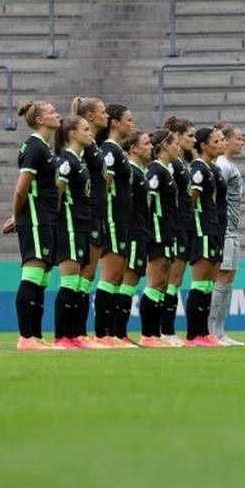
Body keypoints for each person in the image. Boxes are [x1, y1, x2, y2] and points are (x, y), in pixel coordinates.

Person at [3, 100, 61, 350]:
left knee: (42, 279)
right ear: (40, 120)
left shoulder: (45, 148)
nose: (57, 115)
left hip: (46, 218)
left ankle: (35, 336)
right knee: (32, 274)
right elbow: (21, 188)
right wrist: (18, 216)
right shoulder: (35, 147)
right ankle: (26, 337)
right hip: (35, 218)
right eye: (51, 112)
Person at [52, 115, 96, 349]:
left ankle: (76, 335)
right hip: (68, 226)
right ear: (73, 134)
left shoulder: (80, 162)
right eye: (86, 129)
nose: (91, 133)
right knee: (69, 283)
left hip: (81, 227)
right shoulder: (66, 162)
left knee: (79, 284)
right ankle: (61, 337)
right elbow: (56, 197)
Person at [94, 104, 136, 348]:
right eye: (129, 119)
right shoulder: (109, 150)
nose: (132, 123)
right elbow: (104, 185)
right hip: (111, 219)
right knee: (110, 277)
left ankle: (114, 334)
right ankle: (103, 334)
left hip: (122, 220)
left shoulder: (117, 150)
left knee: (118, 277)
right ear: (115, 123)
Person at [140, 128, 181, 348]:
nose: (178, 147)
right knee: (155, 282)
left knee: (162, 285)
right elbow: (148, 199)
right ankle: (148, 336)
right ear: (165, 146)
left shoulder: (166, 170)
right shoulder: (155, 171)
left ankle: (154, 335)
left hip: (166, 232)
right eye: (175, 143)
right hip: (156, 233)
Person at [72, 97, 107, 345]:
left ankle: (80, 333)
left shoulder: (94, 145)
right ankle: (75, 333)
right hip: (86, 215)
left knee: (88, 276)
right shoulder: (83, 146)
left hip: (97, 214)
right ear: (91, 117)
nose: (106, 115)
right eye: (103, 112)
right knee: (82, 275)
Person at [185, 127, 225, 346]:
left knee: (209, 284)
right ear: (203, 146)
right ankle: (193, 335)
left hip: (214, 228)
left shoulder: (212, 169)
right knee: (200, 283)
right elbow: (191, 200)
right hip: (203, 229)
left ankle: (204, 333)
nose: (220, 144)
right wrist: (195, 226)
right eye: (215, 141)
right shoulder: (199, 169)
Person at [161, 116, 197, 345]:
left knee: (175, 281)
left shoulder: (182, 163)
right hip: (174, 225)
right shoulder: (172, 165)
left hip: (184, 224)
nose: (193, 140)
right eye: (189, 136)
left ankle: (167, 330)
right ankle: (165, 331)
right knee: (169, 281)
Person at [209, 123, 245, 346]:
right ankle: (212, 331)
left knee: (228, 280)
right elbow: (213, 197)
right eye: (238, 139)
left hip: (232, 229)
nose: (242, 142)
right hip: (223, 230)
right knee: (221, 279)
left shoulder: (230, 164)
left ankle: (220, 332)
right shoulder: (222, 165)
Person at [122, 130, 154, 346]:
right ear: (133, 148)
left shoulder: (141, 172)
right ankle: (117, 333)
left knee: (130, 284)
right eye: (146, 143)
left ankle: (117, 334)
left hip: (141, 233)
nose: (151, 147)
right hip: (133, 233)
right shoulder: (131, 172)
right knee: (127, 282)